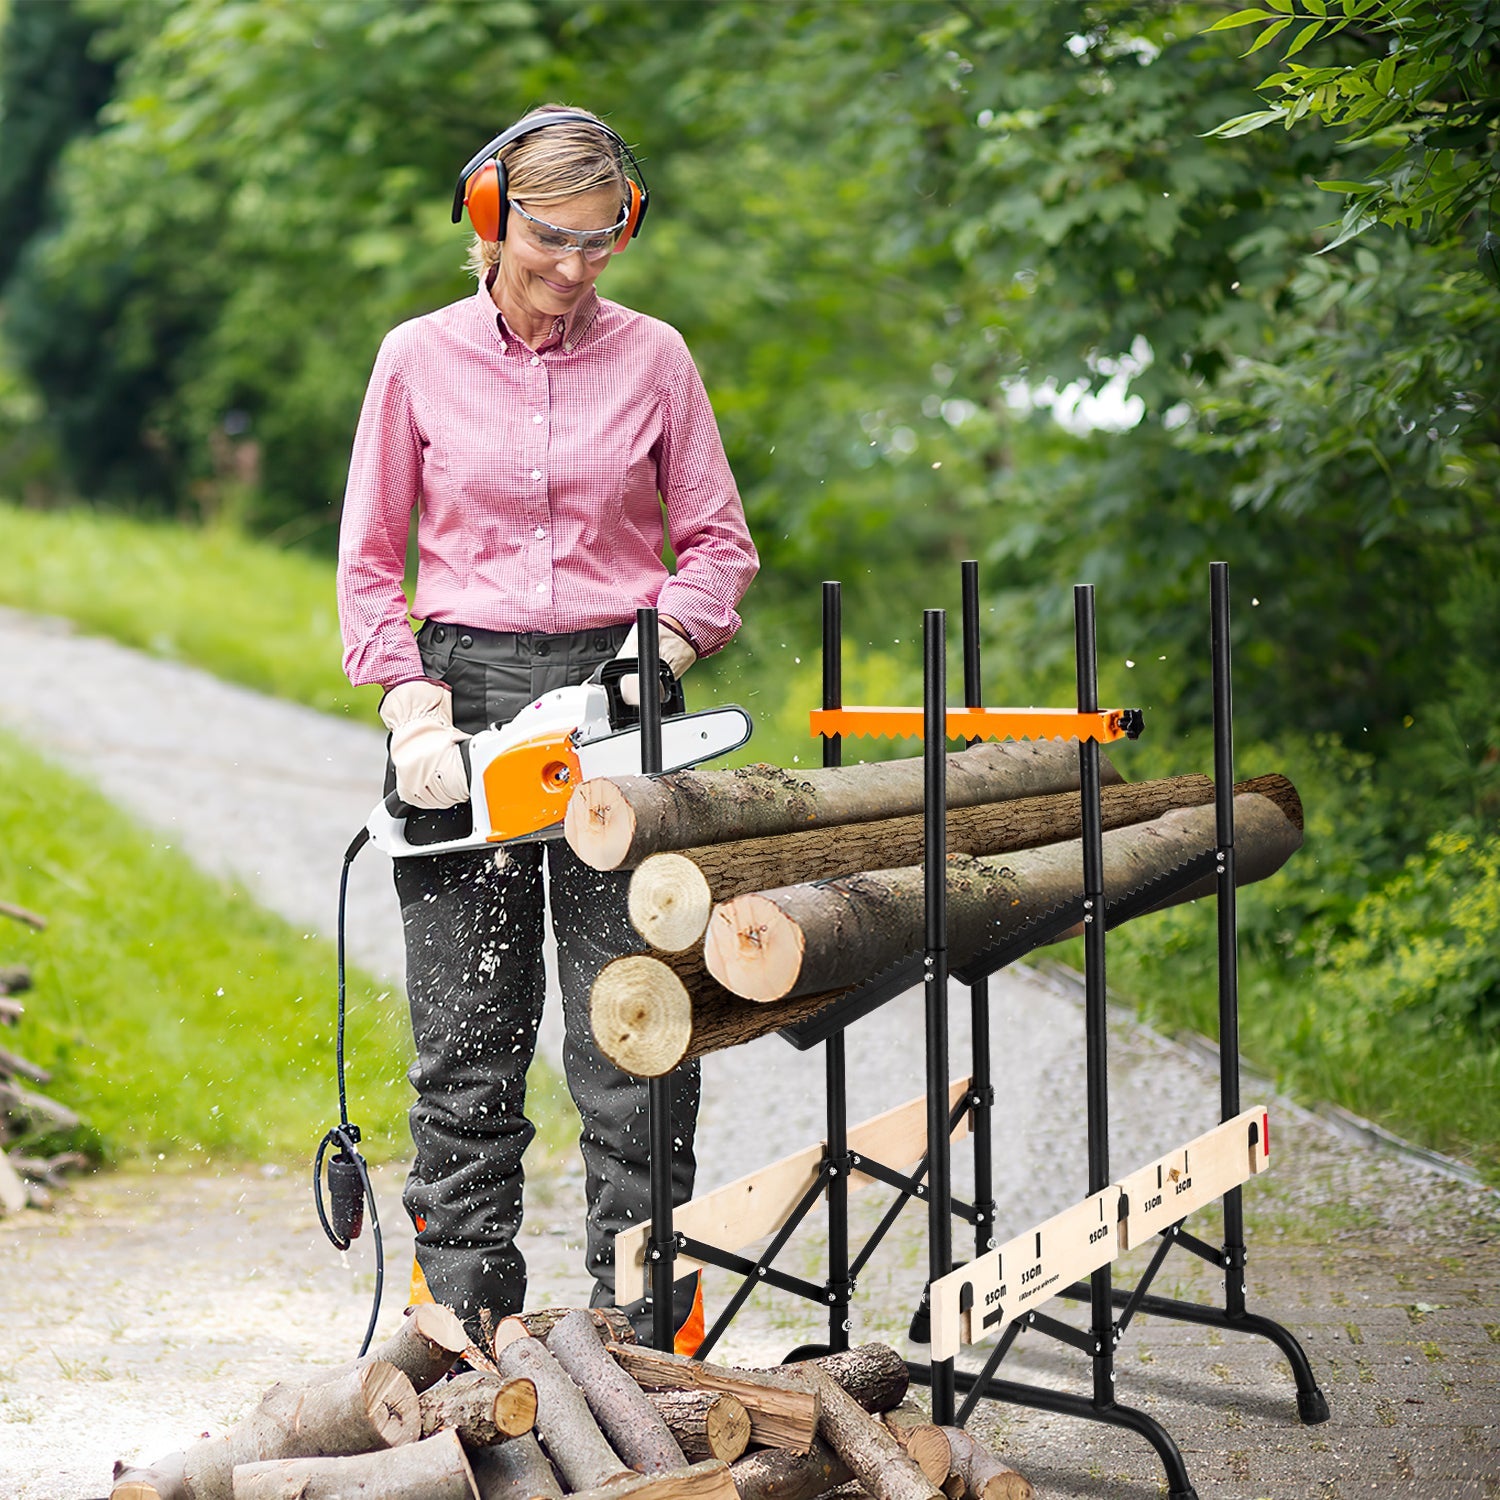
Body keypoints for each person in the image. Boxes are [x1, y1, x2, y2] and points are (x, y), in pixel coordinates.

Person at [335, 105, 758, 1345]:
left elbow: (717, 547)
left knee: (635, 1033)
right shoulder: (414, 358)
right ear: (488, 221)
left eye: (598, 244)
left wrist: (664, 649)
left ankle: (644, 1332)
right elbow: (370, 567)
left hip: (617, 705)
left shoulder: (656, 358)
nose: (571, 274)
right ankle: (463, 1327)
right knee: (468, 1044)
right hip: (460, 706)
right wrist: (413, 704)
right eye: (547, 245)